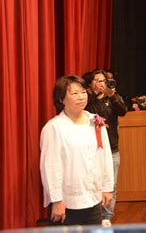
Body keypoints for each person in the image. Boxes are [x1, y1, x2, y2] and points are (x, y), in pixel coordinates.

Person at [40, 75, 114, 225]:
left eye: (83, 92)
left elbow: (105, 156)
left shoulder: (95, 121)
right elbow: (50, 167)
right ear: (61, 99)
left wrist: (107, 187)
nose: (81, 97)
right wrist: (57, 200)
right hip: (67, 202)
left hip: (93, 198)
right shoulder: (54, 127)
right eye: (75, 93)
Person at [84, 69, 127, 226]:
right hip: (92, 150)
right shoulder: (87, 100)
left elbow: (123, 111)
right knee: (93, 184)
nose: (101, 83)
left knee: (111, 186)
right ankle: (94, 217)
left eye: (103, 80)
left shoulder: (112, 97)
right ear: (90, 84)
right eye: (97, 80)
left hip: (112, 149)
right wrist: (93, 96)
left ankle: (106, 218)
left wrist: (111, 95)